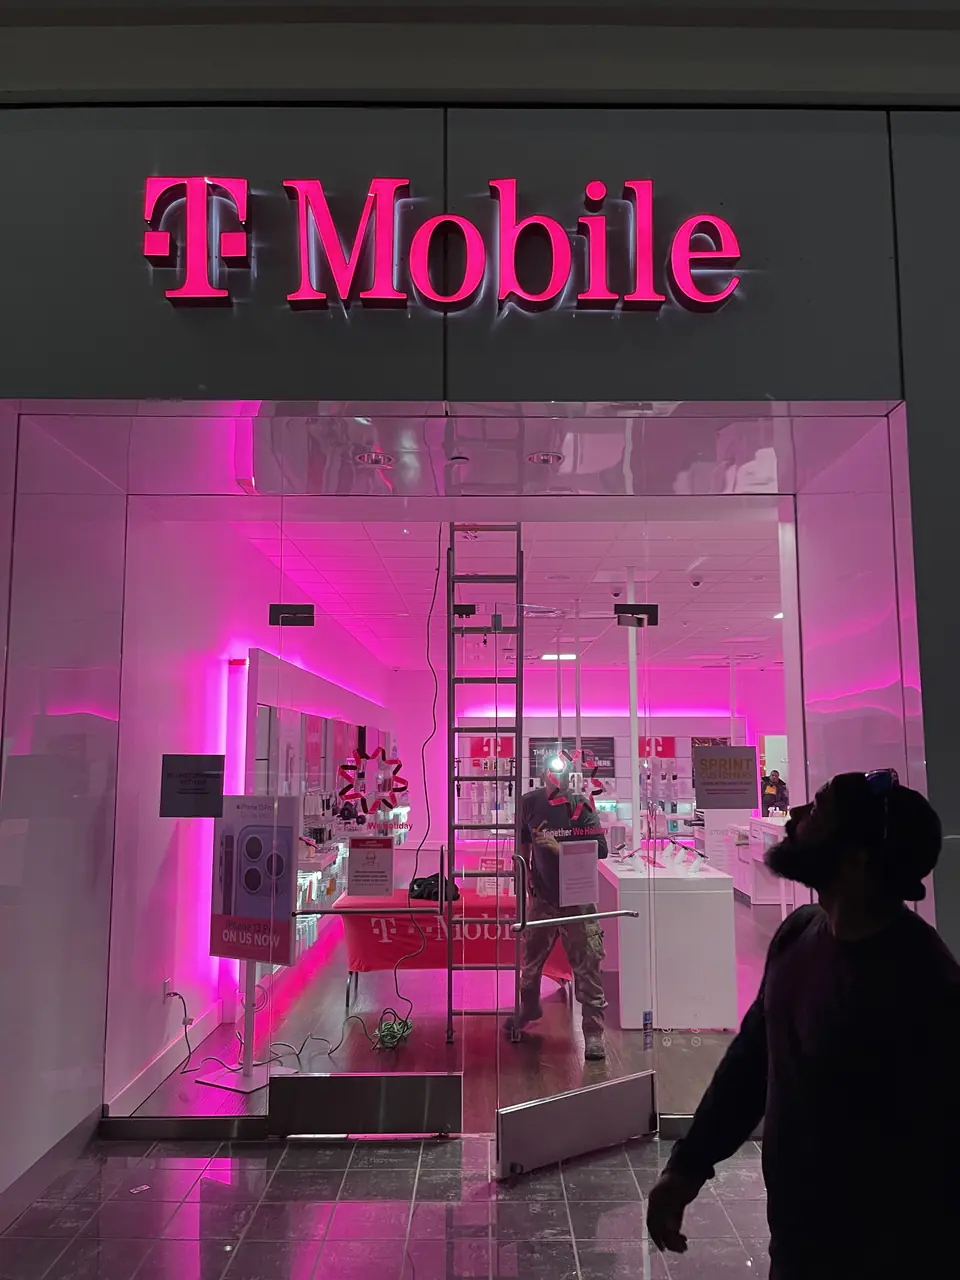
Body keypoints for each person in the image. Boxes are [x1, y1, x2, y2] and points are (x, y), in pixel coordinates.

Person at [647, 769, 960, 1280]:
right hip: (797, 1244)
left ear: (857, 857)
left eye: (817, 810)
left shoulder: (924, 988)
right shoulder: (799, 933)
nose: (793, 816)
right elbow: (751, 1062)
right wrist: (688, 1166)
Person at [507, 759, 609, 1061]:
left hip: (578, 898)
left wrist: (559, 847)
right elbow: (523, 839)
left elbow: (601, 849)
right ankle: (529, 1007)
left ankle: (593, 1032)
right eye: (555, 773)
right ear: (544, 775)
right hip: (544, 897)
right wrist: (526, 871)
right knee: (531, 960)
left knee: (588, 964)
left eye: (564, 774)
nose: (559, 779)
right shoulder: (529, 803)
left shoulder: (580, 806)